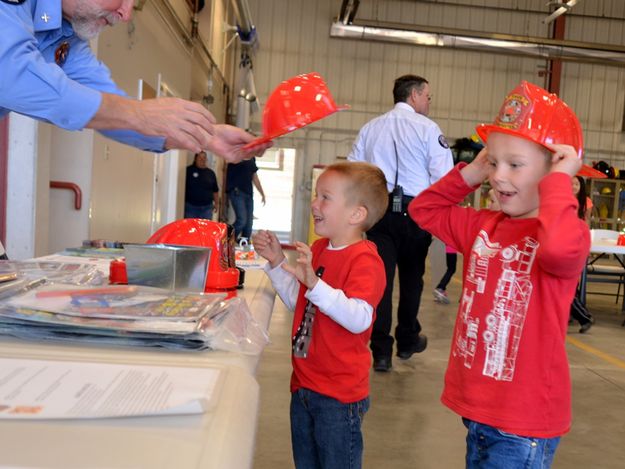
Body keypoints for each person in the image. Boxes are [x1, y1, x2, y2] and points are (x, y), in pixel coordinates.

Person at [409, 81, 590, 468]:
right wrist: (472, 171)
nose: (498, 175)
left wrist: (560, 184)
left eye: (515, 165)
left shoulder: (566, 234)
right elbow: (424, 210)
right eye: (494, 162)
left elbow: (557, 250)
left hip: (522, 424)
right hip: (480, 411)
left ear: (560, 173)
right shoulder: (484, 226)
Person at [0, 0, 270, 161]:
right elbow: (11, 73)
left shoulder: (67, 35)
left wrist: (203, 135)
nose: (126, 14)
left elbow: (111, 108)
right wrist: (137, 113)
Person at [252, 162, 388, 469]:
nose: (314, 203)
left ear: (356, 214)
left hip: (338, 398)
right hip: (303, 386)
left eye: (325, 197)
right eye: (316, 195)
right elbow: (303, 304)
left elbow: (359, 318)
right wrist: (275, 262)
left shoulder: (365, 261)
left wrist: (314, 283)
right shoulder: (321, 247)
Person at [348, 74, 454, 371]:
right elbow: (443, 177)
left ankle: (380, 351)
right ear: (415, 95)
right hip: (416, 210)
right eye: (427, 97)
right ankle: (407, 340)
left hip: (378, 211)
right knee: (412, 279)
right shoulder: (428, 129)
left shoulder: (370, 128)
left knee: (380, 281)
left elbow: (354, 171)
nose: (429, 103)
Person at [571, 175, 594, 333]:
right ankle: (583, 316)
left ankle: (584, 317)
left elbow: (586, 224)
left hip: (575, 243)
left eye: (576, 184)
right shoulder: (562, 199)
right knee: (570, 288)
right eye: (570, 182)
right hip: (562, 241)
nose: (573, 186)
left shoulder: (585, 202)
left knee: (569, 288)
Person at [226, 158, 266, 241]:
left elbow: (255, 177)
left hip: (248, 194)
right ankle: (227, 240)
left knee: (248, 225)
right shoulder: (236, 154)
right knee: (242, 221)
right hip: (237, 192)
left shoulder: (251, 158)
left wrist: (262, 193)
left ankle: (244, 245)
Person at [184, 152, 219, 220]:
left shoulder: (211, 173)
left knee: (205, 229)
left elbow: (215, 190)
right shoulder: (188, 171)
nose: (202, 159)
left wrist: (216, 204)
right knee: (191, 229)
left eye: (204, 158)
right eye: (200, 157)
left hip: (207, 208)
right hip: (191, 207)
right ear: (195, 159)